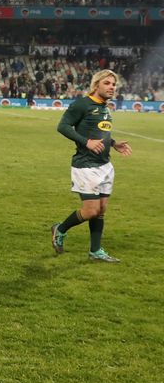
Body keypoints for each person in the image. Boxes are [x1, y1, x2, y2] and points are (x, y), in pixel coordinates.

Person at [51, 69, 131, 262]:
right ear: (96, 85)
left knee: (101, 209)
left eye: (114, 84)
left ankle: (95, 251)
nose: (112, 87)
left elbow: (100, 131)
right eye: (107, 83)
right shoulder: (82, 104)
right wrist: (86, 142)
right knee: (90, 211)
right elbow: (62, 126)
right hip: (86, 165)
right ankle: (60, 229)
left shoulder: (105, 107)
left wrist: (113, 144)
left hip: (105, 165)